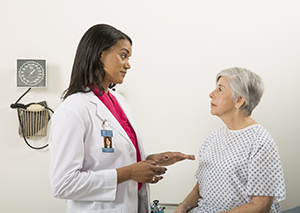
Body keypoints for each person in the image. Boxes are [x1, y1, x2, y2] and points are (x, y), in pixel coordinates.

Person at [48, 23, 195, 213]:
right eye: (123, 55)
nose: (128, 64)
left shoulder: (119, 101)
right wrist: (130, 172)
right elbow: (63, 184)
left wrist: (149, 162)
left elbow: (112, 159)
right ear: (100, 55)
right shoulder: (74, 109)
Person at [174, 67, 286, 213]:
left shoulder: (260, 142)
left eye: (220, 89)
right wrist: (183, 206)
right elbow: (200, 188)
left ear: (239, 101)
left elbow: (260, 206)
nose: (211, 94)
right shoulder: (213, 139)